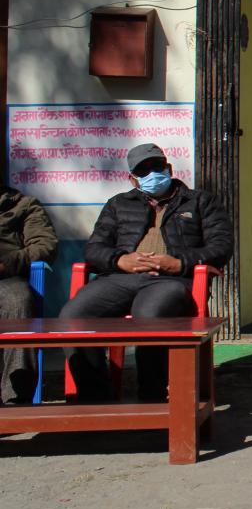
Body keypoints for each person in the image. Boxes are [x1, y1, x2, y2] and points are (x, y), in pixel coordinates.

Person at [62, 143, 232, 402]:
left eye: (157, 167)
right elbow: (94, 249)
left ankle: (152, 397)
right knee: (72, 316)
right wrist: (121, 260)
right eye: (143, 171)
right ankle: (96, 398)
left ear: (169, 169)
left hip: (172, 281)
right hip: (120, 278)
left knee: (150, 317)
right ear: (132, 179)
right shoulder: (118, 204)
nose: (152, 174)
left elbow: (221, 246)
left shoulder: (200, 201)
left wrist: (179, 263)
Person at [0, 184, 57, 404]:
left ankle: (16, 397)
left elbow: (45, 246)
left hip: (6, 277)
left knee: (19, 301)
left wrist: (7, 264)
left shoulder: (23, 205)